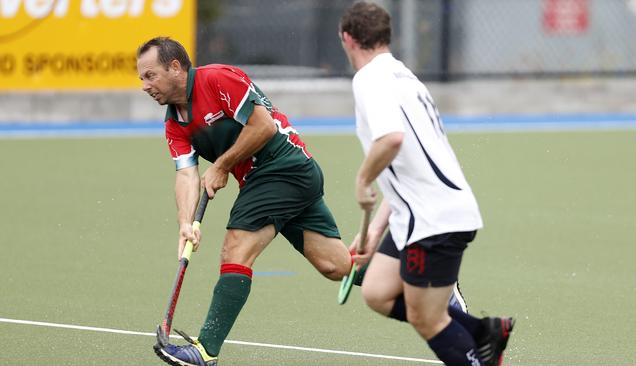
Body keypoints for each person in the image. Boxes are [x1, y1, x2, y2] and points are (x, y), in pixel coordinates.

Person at [136, 37, 354, 366]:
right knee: (337, 266)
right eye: (141, 78)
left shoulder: (217, 79)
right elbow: (186, 175)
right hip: (278, 180)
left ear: (176, 68)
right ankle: (422, 276)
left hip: (281, 167)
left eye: (150, 75)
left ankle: (205, 351)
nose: (144, 85)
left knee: (235, 248)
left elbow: (263, 126)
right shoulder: (175, 123)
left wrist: (221, 165)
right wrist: (185, 223)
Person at [339, 2, 514, 366]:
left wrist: (362, 179)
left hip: (432, 221)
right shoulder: (404, 76)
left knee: (427, 318)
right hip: (422, 214)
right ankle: (484, 332)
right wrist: (374, 231)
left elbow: (391, 140)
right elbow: (407, 163)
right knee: (377, 291)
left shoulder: (368, 79)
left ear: (347, 39)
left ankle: (478, 350)